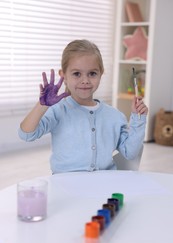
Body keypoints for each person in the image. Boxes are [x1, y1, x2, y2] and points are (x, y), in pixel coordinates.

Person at [18, 39, 148, 173]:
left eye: (92, 73)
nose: (85, 81)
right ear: (64, 76)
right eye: (76, 74)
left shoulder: (114, 116)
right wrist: (42, 105)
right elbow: (26, 135)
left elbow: (130, 153)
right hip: (65, 186)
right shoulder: (59, 110)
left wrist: (138, 120)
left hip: (104, 184)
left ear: (101, 74)